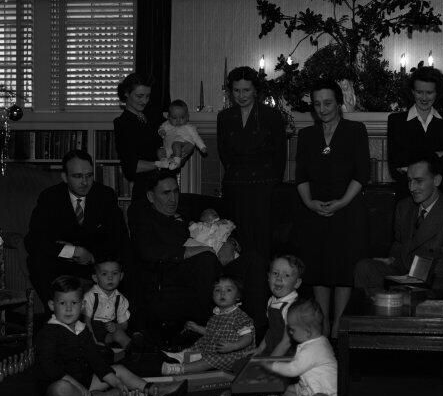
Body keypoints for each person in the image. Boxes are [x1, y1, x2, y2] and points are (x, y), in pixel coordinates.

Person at [128, 169, 269, 333]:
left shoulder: (184, 210)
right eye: (166, 193)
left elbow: (217, 224)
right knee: (206, 260)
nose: (173, 199)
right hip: (177, 270)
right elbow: (148, 251)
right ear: (151, 196)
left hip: (215, 261)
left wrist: (229, 243)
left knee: (253, 260)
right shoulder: (144, 218)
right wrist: (202, 250)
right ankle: (209, 329)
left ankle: (255, 331)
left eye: (175, 191)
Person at [292, 79, 370, 339]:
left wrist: (342, 202)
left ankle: (339, 326)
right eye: (317, 104)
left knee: (344, 269)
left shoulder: (355, 130)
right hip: (314, 210)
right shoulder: (306, 135)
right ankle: (323, 324)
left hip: (347, 209)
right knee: (319, 268)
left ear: (339, 103)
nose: (322, 109)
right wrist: (310, 203)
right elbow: (301, 176)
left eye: (327, 103)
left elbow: (362, 173)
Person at [35, 275, 187, 396]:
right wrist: (76, 385)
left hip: (85, 382)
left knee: (118, 370)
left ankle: (154, 389)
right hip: (60, 385)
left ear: (82, 306)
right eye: (62, 303)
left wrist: (116, 382)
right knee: (61, 389)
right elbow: (49, 367)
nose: (68, 309)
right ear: (52, 305)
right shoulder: (48, 333)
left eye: (74, 303)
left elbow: (95, 360)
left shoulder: (83, 329)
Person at [354, 154, 443, 306]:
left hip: (440, 280)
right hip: (406, 274)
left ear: (436, 180)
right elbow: (399, 245)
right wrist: (392, 260)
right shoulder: (404, 207)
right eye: (409, 181)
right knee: (365, 268)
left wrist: (410, 277)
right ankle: (378, 316)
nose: (411, 188)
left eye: (419, 181)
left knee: (423, 292)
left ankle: (397, 304)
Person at [25, 149, 129, 304]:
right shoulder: (50, 197)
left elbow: (120, 239)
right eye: (77, 176)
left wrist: (91, 256)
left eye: (89, 175)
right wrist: (72, 251)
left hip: (95, 263)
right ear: (65, 177)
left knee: (127, 259)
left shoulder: (105, 196)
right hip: (61, 263)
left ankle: (117, 312)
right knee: (36, 260)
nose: (85, 182)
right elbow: (33, 240)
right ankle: (57, 312)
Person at [217, 66, 287, 259]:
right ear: (231, 91)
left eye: (246, 90)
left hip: (264, 190)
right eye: (237, 90)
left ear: (255, 90)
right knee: (236, 239)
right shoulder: (224, 117)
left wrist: (273, 186)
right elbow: (223, 153)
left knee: (262, 241)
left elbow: (280, 156)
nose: (241, 95)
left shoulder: (272, 115)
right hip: (235, 187)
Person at [387, 66, 443, 198]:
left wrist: (411, 160)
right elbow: (395, 168)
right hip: (407, 197)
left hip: (441, 199)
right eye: (419, 92)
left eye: (429, 92)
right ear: (412, 92)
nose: (424, 98)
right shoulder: (396, 121)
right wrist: (438, 155)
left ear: (437, 93)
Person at [160, 276, 255, 375]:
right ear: (212, 295)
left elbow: (248, 338)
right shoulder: (216, 315)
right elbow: (211, 333)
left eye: (228, 290)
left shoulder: (239, 316)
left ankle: (179, 369)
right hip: (216, 348)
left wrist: (233, 346)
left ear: (238, 296)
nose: (222, 293)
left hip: (235, 354)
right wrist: (197, 328)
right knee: (201, 343)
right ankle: (181, 356)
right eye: (217, 290)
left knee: (212, 359)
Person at [265, 299, 338, 396]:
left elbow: (293, 369)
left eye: (292, 329)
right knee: (287, 390)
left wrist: (272, 365)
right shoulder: (315, 342)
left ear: (307, 332)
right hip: (307, 389)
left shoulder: (315, 348)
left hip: (329, 395)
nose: (290, 332)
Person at [113, 72, 166, 203]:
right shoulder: (122, 123)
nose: (144, 101)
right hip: (146, 189)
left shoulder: (153, 115)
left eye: (147, 96)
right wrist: (161, 164)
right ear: (126, 93)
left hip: (167, 184)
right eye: (139, 96)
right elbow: (131, 167)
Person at [252, 254, 304, 358]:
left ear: (297, 283)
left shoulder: (292, 308)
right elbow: (272, 330)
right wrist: (260, 349)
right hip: (275, 349)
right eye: (275, 273)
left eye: (287, 275)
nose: (279, 278)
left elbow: (287, 342)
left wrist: (271, 360)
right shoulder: (272, 300)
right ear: (268, 277)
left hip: (292, 354)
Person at [82, 257, 132, 353]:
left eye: (115, 273)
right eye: (104, 274)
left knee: (119, 333)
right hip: (89, 331)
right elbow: (86, 322)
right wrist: (93, 342)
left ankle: (135, 351)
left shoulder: (121, 299)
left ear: (121, 276)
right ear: (95, 278)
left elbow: (124, 325)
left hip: (107, 333)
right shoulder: (90, 296)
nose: (110, 278)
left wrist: (116, 326)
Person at [156, 99, 207, 171]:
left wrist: (202, 147)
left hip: (181, 145)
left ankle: (177, 161)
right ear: (168, 117)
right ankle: (164, 161)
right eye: (174, 118)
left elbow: (196, 138)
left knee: (176, 144)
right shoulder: (167, 125)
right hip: (168, 149)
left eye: (182, 117)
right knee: (160, 151)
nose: (178, 120)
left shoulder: (189, 127)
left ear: (187, 117)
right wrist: (161, 131)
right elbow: (161, 128)